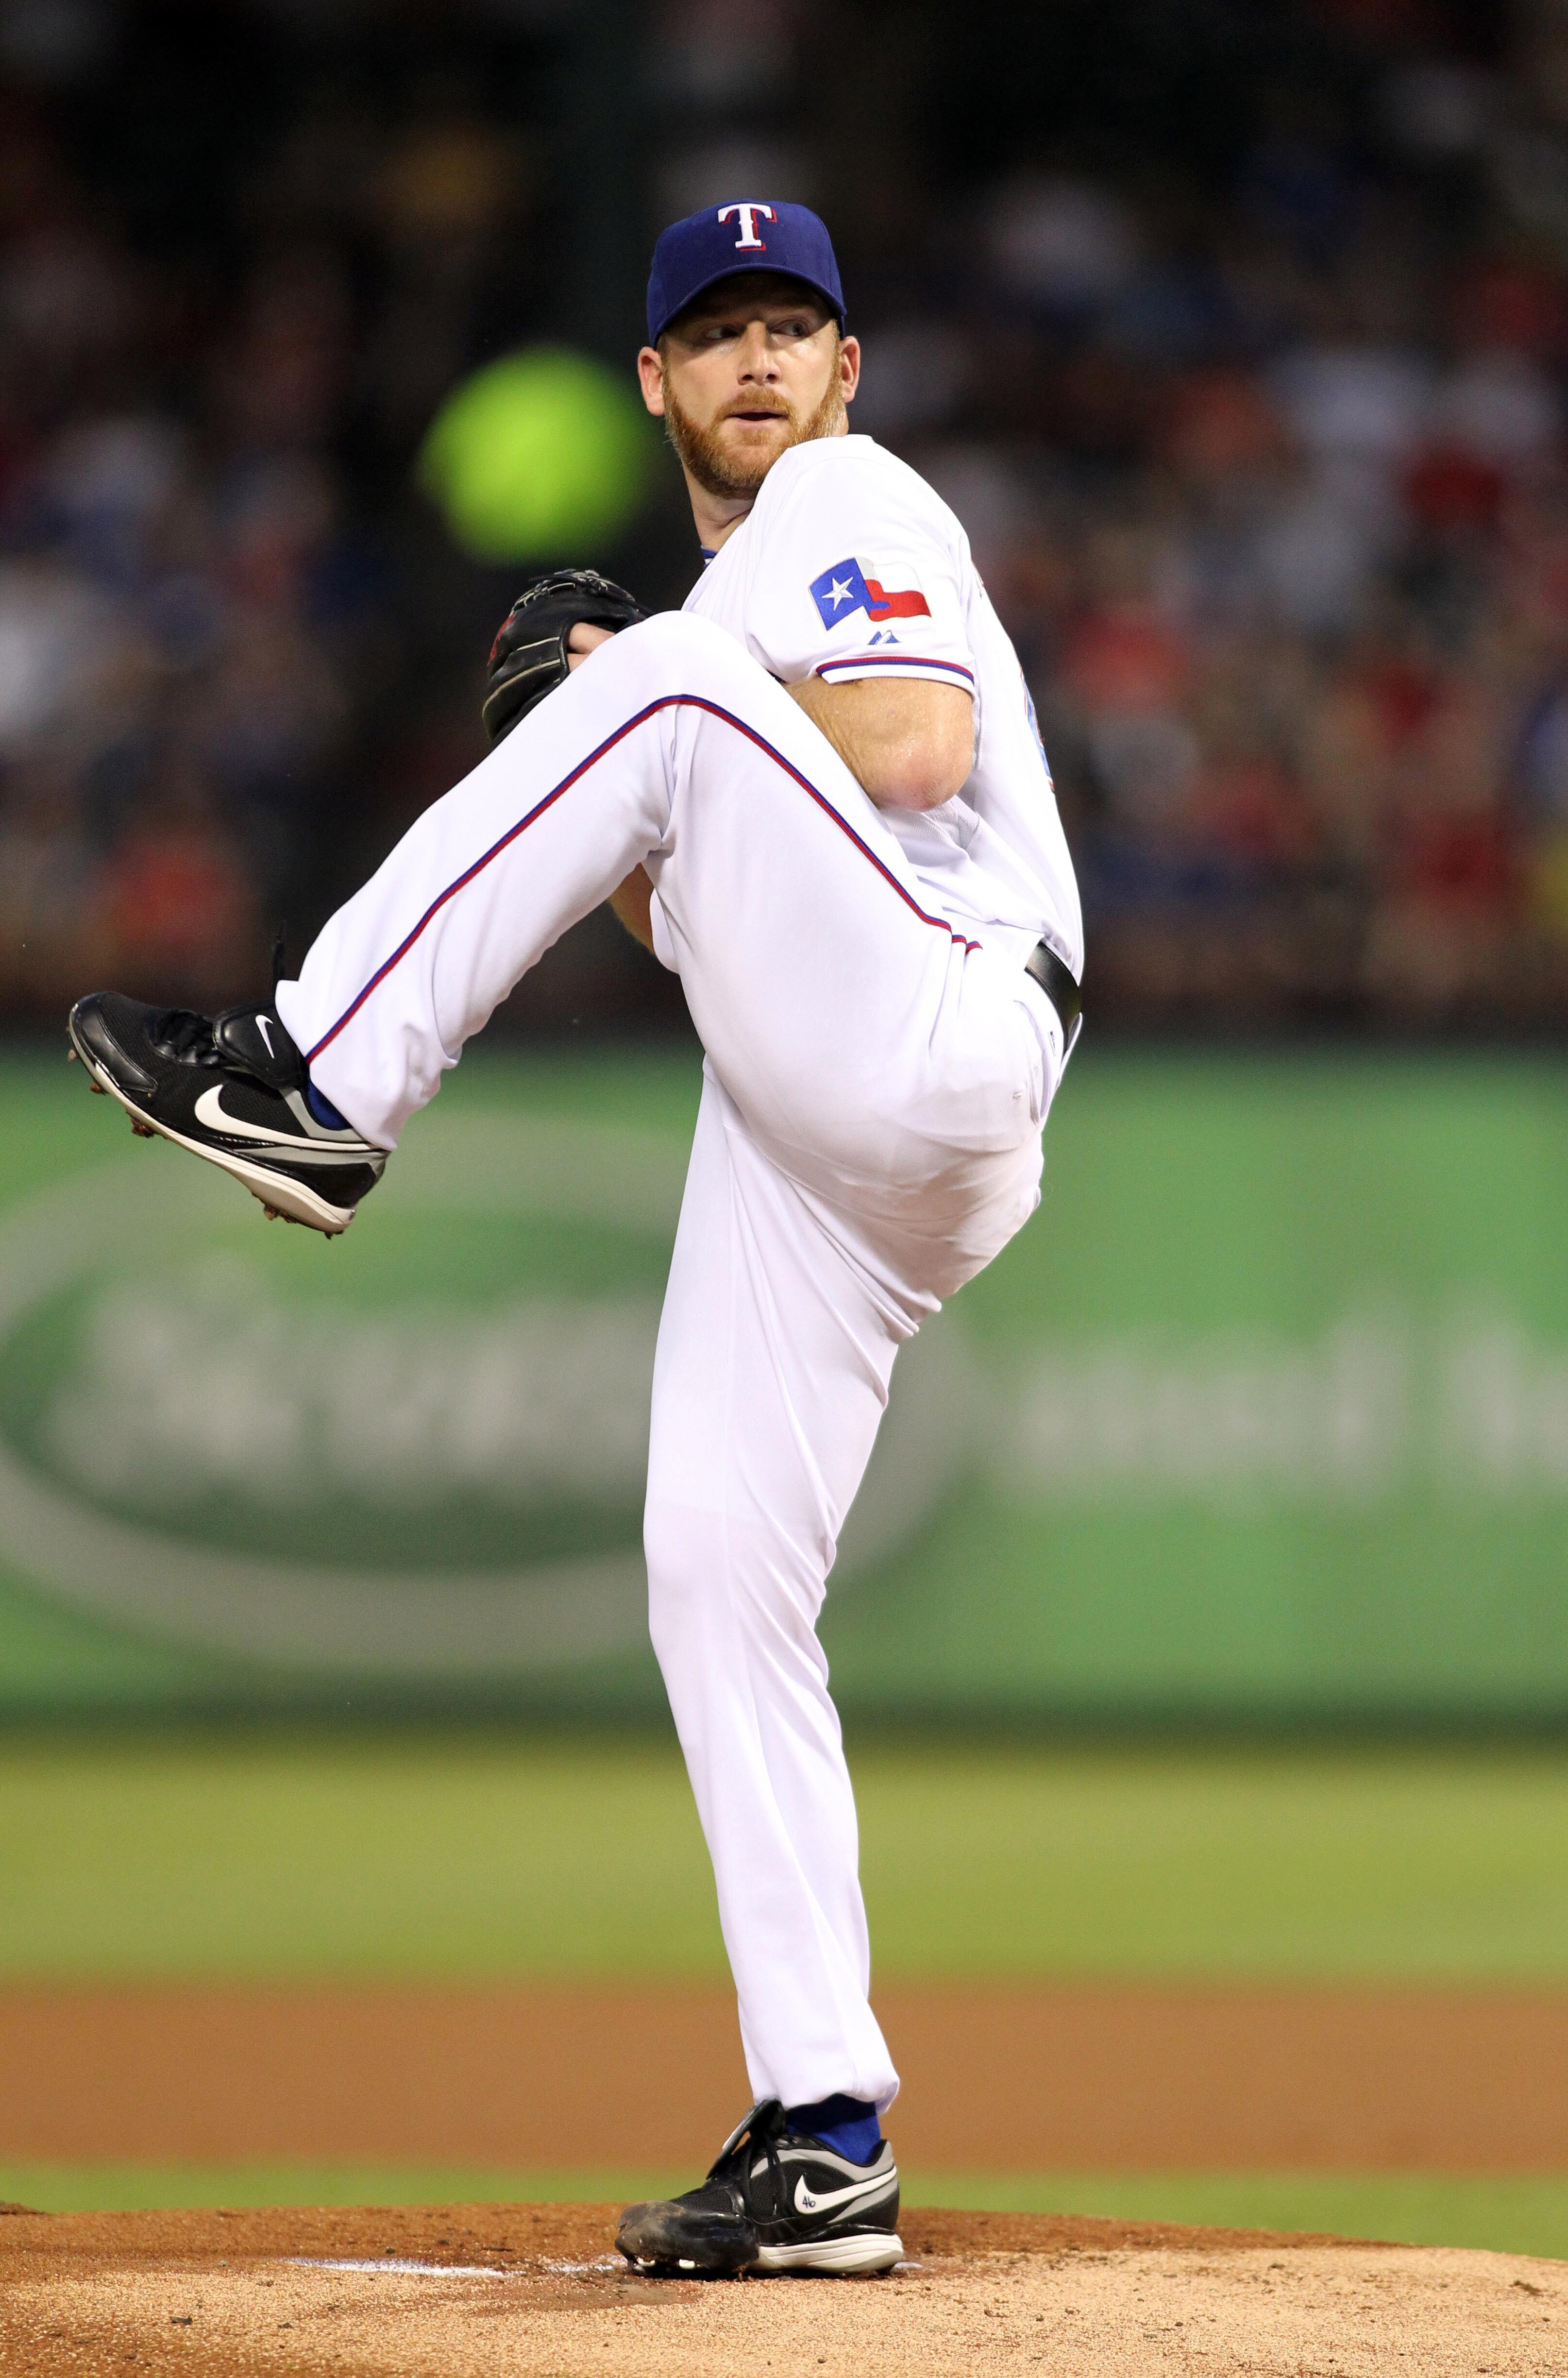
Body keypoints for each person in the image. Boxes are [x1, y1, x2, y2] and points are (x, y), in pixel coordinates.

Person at [66, 200, 1083, 2277]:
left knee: (677, 679)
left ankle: (318, 1074)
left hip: (947, 1023)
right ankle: (826, 2134)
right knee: (714, 1572)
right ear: (653, 381)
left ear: (849, 370)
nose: (759, 361)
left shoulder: (846, 501)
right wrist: (611, 737)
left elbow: (915, 747)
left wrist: (637, 686)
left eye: (792, 326)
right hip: (831, 1113)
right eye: (717, 333)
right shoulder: (726, 637)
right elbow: (698, 921)